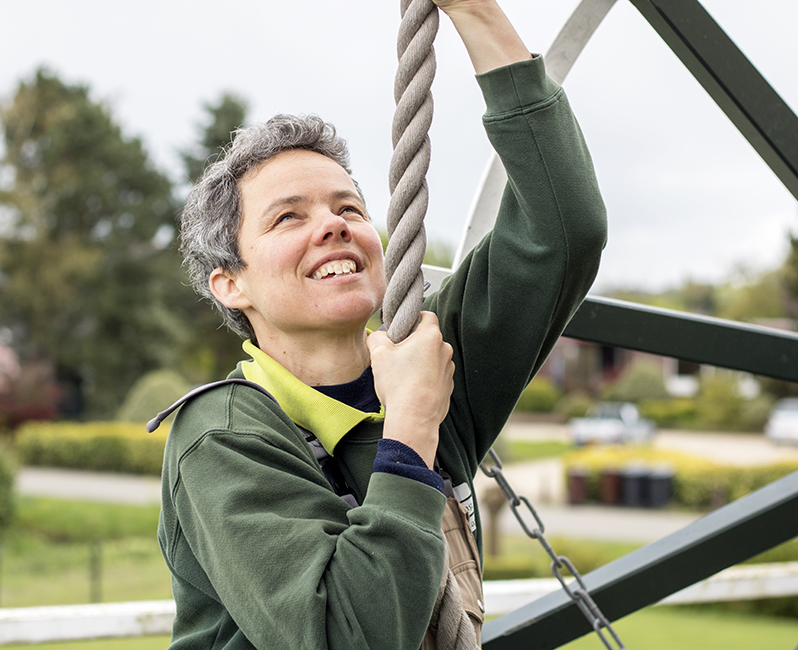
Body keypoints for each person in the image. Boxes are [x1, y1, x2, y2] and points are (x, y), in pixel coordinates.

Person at [155, 0, 607, 648]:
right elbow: (346, 636)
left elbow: (564, 232)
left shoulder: (428, 355)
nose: (333, 224)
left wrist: (475, 12)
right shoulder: (224, 437)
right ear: (231, 283)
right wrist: (414, 423)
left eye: (348, 206)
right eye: (288, 218)